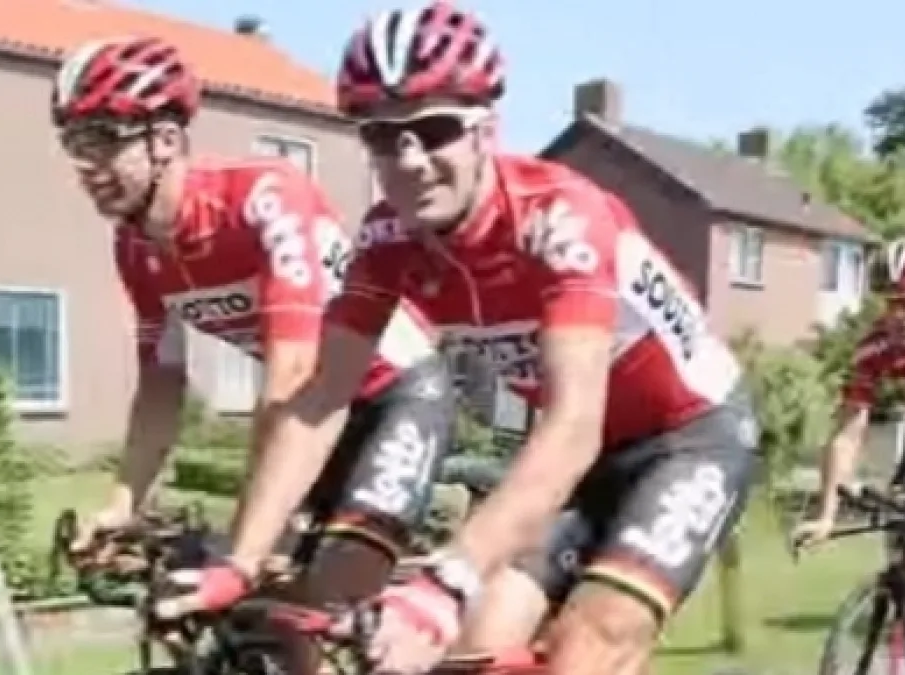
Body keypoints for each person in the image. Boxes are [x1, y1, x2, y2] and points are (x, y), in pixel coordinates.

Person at [163, 3, 759, 674]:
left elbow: (571, 427)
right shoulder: (387, 240)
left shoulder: (561, 221)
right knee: (479, 637)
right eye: (383, 137)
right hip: (587, 460)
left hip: (688, 436)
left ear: (485, 130)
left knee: (587, 642)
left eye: (435, 130)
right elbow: (320, 399)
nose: (410, 160)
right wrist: (241, 560)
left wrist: (443, 581)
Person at [51, 35, 455, 663]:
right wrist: (122, 504)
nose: (85, 165)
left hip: (393, 394)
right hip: (313, 419)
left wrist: (244, 547)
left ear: (165, 140)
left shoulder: (263, 199)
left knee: (331, 593)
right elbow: (161, 383)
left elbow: (290, 375)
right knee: (269, 622)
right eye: (75, 144)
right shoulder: (135, 247)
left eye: (102, 139)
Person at [792, 236, 905, 673]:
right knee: (900, 520)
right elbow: (848, 430)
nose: (898, 317)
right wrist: (826, 513)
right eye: (890, 303)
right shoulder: (877, 347)